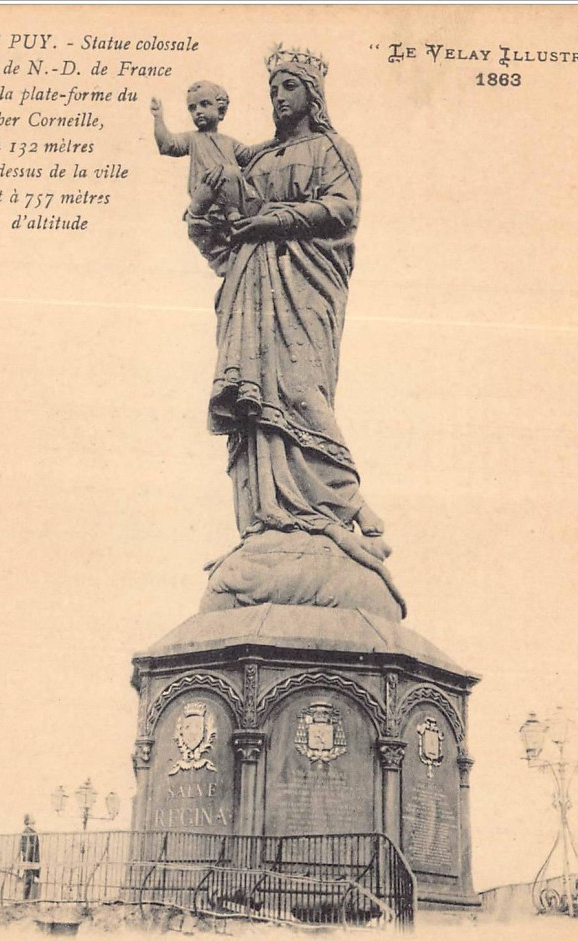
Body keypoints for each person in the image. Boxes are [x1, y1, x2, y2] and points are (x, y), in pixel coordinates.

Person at [186, 46, 400, 596]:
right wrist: (203, 212)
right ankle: (268, 518)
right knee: (257, 403)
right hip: (250, 291)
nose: (278, 98)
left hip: (305, 285)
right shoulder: (253, 159)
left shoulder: (333, 149)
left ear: (312, 93)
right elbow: (221, 225)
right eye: (273, 89)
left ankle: (346, 500)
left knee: (302, 389)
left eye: (288, 87)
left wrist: (270, 223)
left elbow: (341, 209)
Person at [150, 81, 264, 223]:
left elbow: (248, 155)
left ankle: (232, 210)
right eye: (192, 108)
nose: (198, 111)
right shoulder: (191, 138)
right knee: (225, 174)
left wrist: (276, 141)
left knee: (231, 172)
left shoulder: (228, 142)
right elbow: (167, 144)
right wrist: (158, 117)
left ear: (221, 111)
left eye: (204, 104)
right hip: (207, 194)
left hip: (232, 195)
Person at [19, 814, 40, 901]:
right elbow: (28, 848)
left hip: (31, 860)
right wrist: (28, 861)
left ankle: (27, 901)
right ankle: (26, 901)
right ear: (28, 821)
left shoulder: (29, 832)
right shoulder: (28, 833)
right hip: (30, 860)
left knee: (30, 880)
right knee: (29, 880)